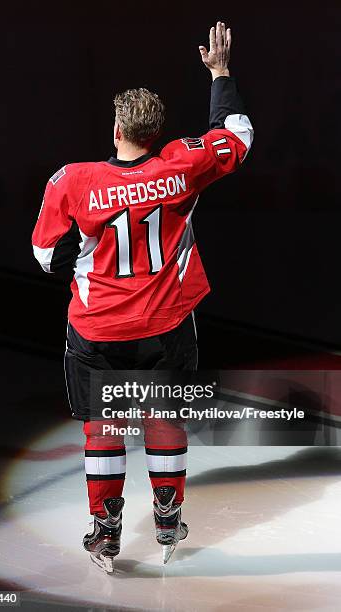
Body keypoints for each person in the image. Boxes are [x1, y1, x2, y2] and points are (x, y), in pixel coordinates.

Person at [32, 22, 253, 572]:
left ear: (116, 131)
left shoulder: (74, 182)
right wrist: (220, 73)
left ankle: (106, 531)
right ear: (155, 132)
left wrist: (88, 252)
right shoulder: (182, 165)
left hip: (98, 331)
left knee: (103, 429)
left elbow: (44, 255)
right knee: (164, 418)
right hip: (167, 325)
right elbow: (239, 134)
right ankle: (167, 515)